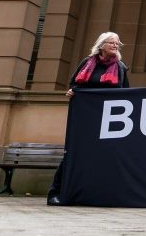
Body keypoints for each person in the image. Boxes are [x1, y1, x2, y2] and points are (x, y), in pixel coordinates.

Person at [48, 32, 129, 205]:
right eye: (111, 43)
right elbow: (74, 84)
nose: (115, 46)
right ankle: (56, 193)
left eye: (117, 43)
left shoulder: (121, 67)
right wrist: (72, 92)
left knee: (105, 155)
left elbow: (126, 94)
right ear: (101, 45)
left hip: (108, 118)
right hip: (85, 118)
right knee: (73, 153)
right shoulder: (87, 63)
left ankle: (100, 193)